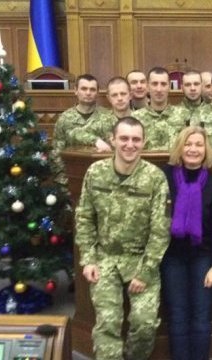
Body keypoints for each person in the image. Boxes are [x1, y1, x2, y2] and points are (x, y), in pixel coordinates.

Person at [74, 117, 171, 360]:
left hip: (140, 260)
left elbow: (161, 229)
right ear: (113, 140)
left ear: (144, 142)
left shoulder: (155, 178)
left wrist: (146, 271)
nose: (130, 145)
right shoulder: (95, 173)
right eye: (124, 138)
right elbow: (84, 218)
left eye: (136, 139)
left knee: (145, 324)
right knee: (107, 323)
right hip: (105, 258)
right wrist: (88, 259)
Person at [161, 126, 212, 360]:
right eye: (188, 144)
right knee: (178, 316)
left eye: (199, 144)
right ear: (180, 148)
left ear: (206, 149)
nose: (193, 149)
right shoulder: (164, 177)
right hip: (171, 258)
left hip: (203, 258)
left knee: (201, 318)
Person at [51, 74, 107, 186]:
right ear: (75, 90)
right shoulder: (65, 118)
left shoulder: (108, 117)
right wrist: (63, 181)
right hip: (71, 179)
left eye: (92, 89)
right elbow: (57, 152)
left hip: (100, 180)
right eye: (84, 88)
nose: (88, 93)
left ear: (97, 93)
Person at [69, 76, 132, 152]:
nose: (119, 98)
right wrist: (96, 141)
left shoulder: (142, 117)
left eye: (123, 94)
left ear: (130, 95)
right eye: (114, 95)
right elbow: (75, 133)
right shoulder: (102, 120)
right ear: (109, 98)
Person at [132, 67, 189, 150]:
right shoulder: (135, 117)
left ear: (169, 86)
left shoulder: (184, 114)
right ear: (148, 87)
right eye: (155, 84)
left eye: (163, 84)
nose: (159, 89)